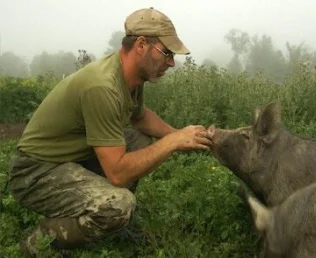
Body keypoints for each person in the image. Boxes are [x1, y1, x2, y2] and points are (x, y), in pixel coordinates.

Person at [7, 7, 213, 257]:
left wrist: (180, 134)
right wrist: (172, 142)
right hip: (35, 171)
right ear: (140, 45)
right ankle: (38, 242)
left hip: (71, 158)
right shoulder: (102, 86)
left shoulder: (130, 77)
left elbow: (141, 118)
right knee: (119, 204)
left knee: (139, 140)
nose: (171, 63)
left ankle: (100, 219)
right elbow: (117, 173)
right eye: (166, 53)